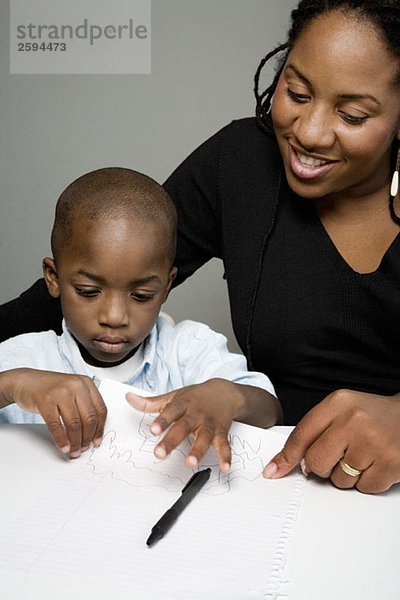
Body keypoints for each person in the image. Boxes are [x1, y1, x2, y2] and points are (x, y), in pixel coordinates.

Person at [1, 0, 400, 493]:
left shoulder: (186, 349)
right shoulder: (242, 164)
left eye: (353, 115)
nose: (309, 132)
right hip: (272, 476)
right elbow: (106, 268)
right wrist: (15, 380)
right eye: (295, 92)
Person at [0, 167, 279, 468]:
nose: (115, 316)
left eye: (142, 295)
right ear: (53, 278)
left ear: (167, 285)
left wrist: (229, 395)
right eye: (89, 291)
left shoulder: (188, 349)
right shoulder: (24, 358)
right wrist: (11, 385)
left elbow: (269, 410)